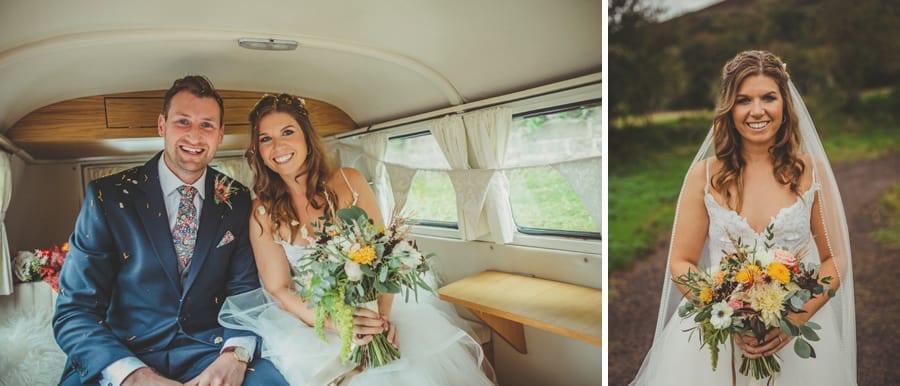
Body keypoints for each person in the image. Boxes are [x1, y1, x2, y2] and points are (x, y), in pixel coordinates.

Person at [218, 93, 495, 385]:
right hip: (314, 319)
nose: (278, 146)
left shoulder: (349, 181)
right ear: (258, 150)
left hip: (380, 306)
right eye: (265, 139)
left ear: (307, 139)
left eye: (288, 132)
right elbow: (279, 288)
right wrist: (339, 324)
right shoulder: (262, 211)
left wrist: (379, 319)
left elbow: (382, 256)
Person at [630, 51, 856, 385]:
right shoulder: (703, 176)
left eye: (768, 97)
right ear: (729, 108)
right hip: (717, 338)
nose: (757, 111)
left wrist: (794, 320)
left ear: (785, 104)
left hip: (794, 336)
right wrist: (727, 316)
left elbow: (835, 260)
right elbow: (681, 261)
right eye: (743, 100)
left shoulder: (810, 171)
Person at [53, 75, 289, 386]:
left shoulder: (237, 199)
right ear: (162, 125)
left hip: (211, 351)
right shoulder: (106, 197)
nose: (195, 135)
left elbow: (244, 292)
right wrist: (133, 376)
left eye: (207, 125)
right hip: (124, 352)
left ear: (219, 135)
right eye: (183, 121)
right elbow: (74, 311)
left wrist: (235, 355)